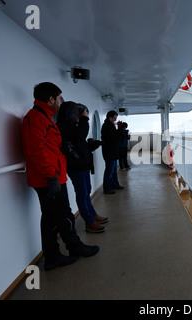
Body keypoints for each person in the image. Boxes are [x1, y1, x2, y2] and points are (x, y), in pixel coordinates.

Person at [21, 82, 99, 271]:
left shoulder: (45, 118)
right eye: (59, 98)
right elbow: (36, 151)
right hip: (49, 180)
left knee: (49, 219)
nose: (60, 101)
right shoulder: (36, 118)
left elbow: (49, 147)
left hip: (53, 177)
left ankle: (52, 256)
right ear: (51, 99)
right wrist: (51, 177)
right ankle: (75, 247)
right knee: (65, 216)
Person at [56, 101, 108, 233]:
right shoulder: (64, 126)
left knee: (86, 192)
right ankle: (89, 222)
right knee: (82, 194)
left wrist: (90, 146)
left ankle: (93, 215)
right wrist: (85, 119)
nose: (82, 116)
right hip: (76, 167)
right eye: (79, 113)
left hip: (82, 165)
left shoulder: (73, 126)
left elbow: (79, 143)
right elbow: (80, 137)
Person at [101, 110, 124, 194]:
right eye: (114, 118)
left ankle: (115, 185)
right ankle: (107, 188)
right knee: (109, 171)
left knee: (114, 170)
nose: (115, 120)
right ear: (109, 118)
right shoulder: (107, 126)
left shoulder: (110, 125)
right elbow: (114, 138)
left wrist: (119, 128)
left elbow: (115, 137)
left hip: (112, 152)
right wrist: (120, 128)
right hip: (109, 152)